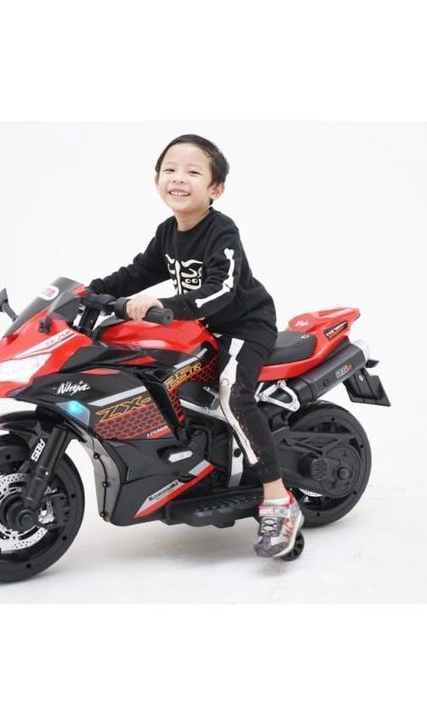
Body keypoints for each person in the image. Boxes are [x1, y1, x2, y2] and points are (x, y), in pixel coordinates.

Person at [89, 134, 303, 557]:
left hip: (245, 325)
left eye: (192, 172)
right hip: (201, 327)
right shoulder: (168, 232)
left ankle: (279, 500)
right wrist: (88, 292)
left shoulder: (221, 231)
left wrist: (164, 305)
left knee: (233, 395)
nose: (178, 178)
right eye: (170, 169)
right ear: (156, 180)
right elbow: (138, 272)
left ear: (215, 188)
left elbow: (220, 290)